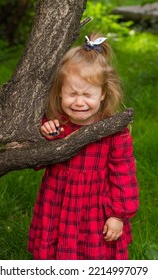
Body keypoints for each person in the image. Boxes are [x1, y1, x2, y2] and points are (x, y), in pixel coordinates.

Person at [28, 33, 139, 260]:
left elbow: (124, 176)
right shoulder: (58, 124)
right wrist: (45, 134)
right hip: (58, 202)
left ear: (102, 95)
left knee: (95, 254)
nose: (79, 102)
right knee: (57, 252)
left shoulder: (114, 132)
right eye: (72, 93)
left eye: (87, 94)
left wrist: (118, 215)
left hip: (96, 208)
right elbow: (36, 160)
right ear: (59, 93)